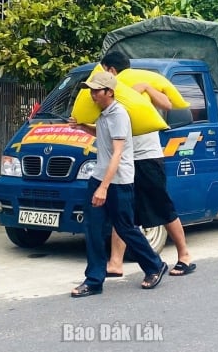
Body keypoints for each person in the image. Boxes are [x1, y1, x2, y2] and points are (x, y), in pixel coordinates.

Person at [69, 71, 167, 298]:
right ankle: (94, 280)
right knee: (93, 227)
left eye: (96, 91)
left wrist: (104, 187)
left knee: (124, 227)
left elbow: (117, 153)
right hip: (100, 176)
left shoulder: (119, 114)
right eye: (91, 90)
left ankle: (154, 265)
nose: (92, 95)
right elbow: (103, 136)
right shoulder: (103, 115)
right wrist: (83, 127)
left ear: (109, 92)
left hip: (118, 180)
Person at [100, 52, 196, 278]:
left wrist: (146, 88)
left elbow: (168, 104)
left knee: (162, 206)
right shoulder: (111, 93)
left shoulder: (140, 85)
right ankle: (115, 262)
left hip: (148, 157)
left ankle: (184, 255)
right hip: (125, 159)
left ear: (111, 70)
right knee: (123, 211)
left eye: (104, 70)